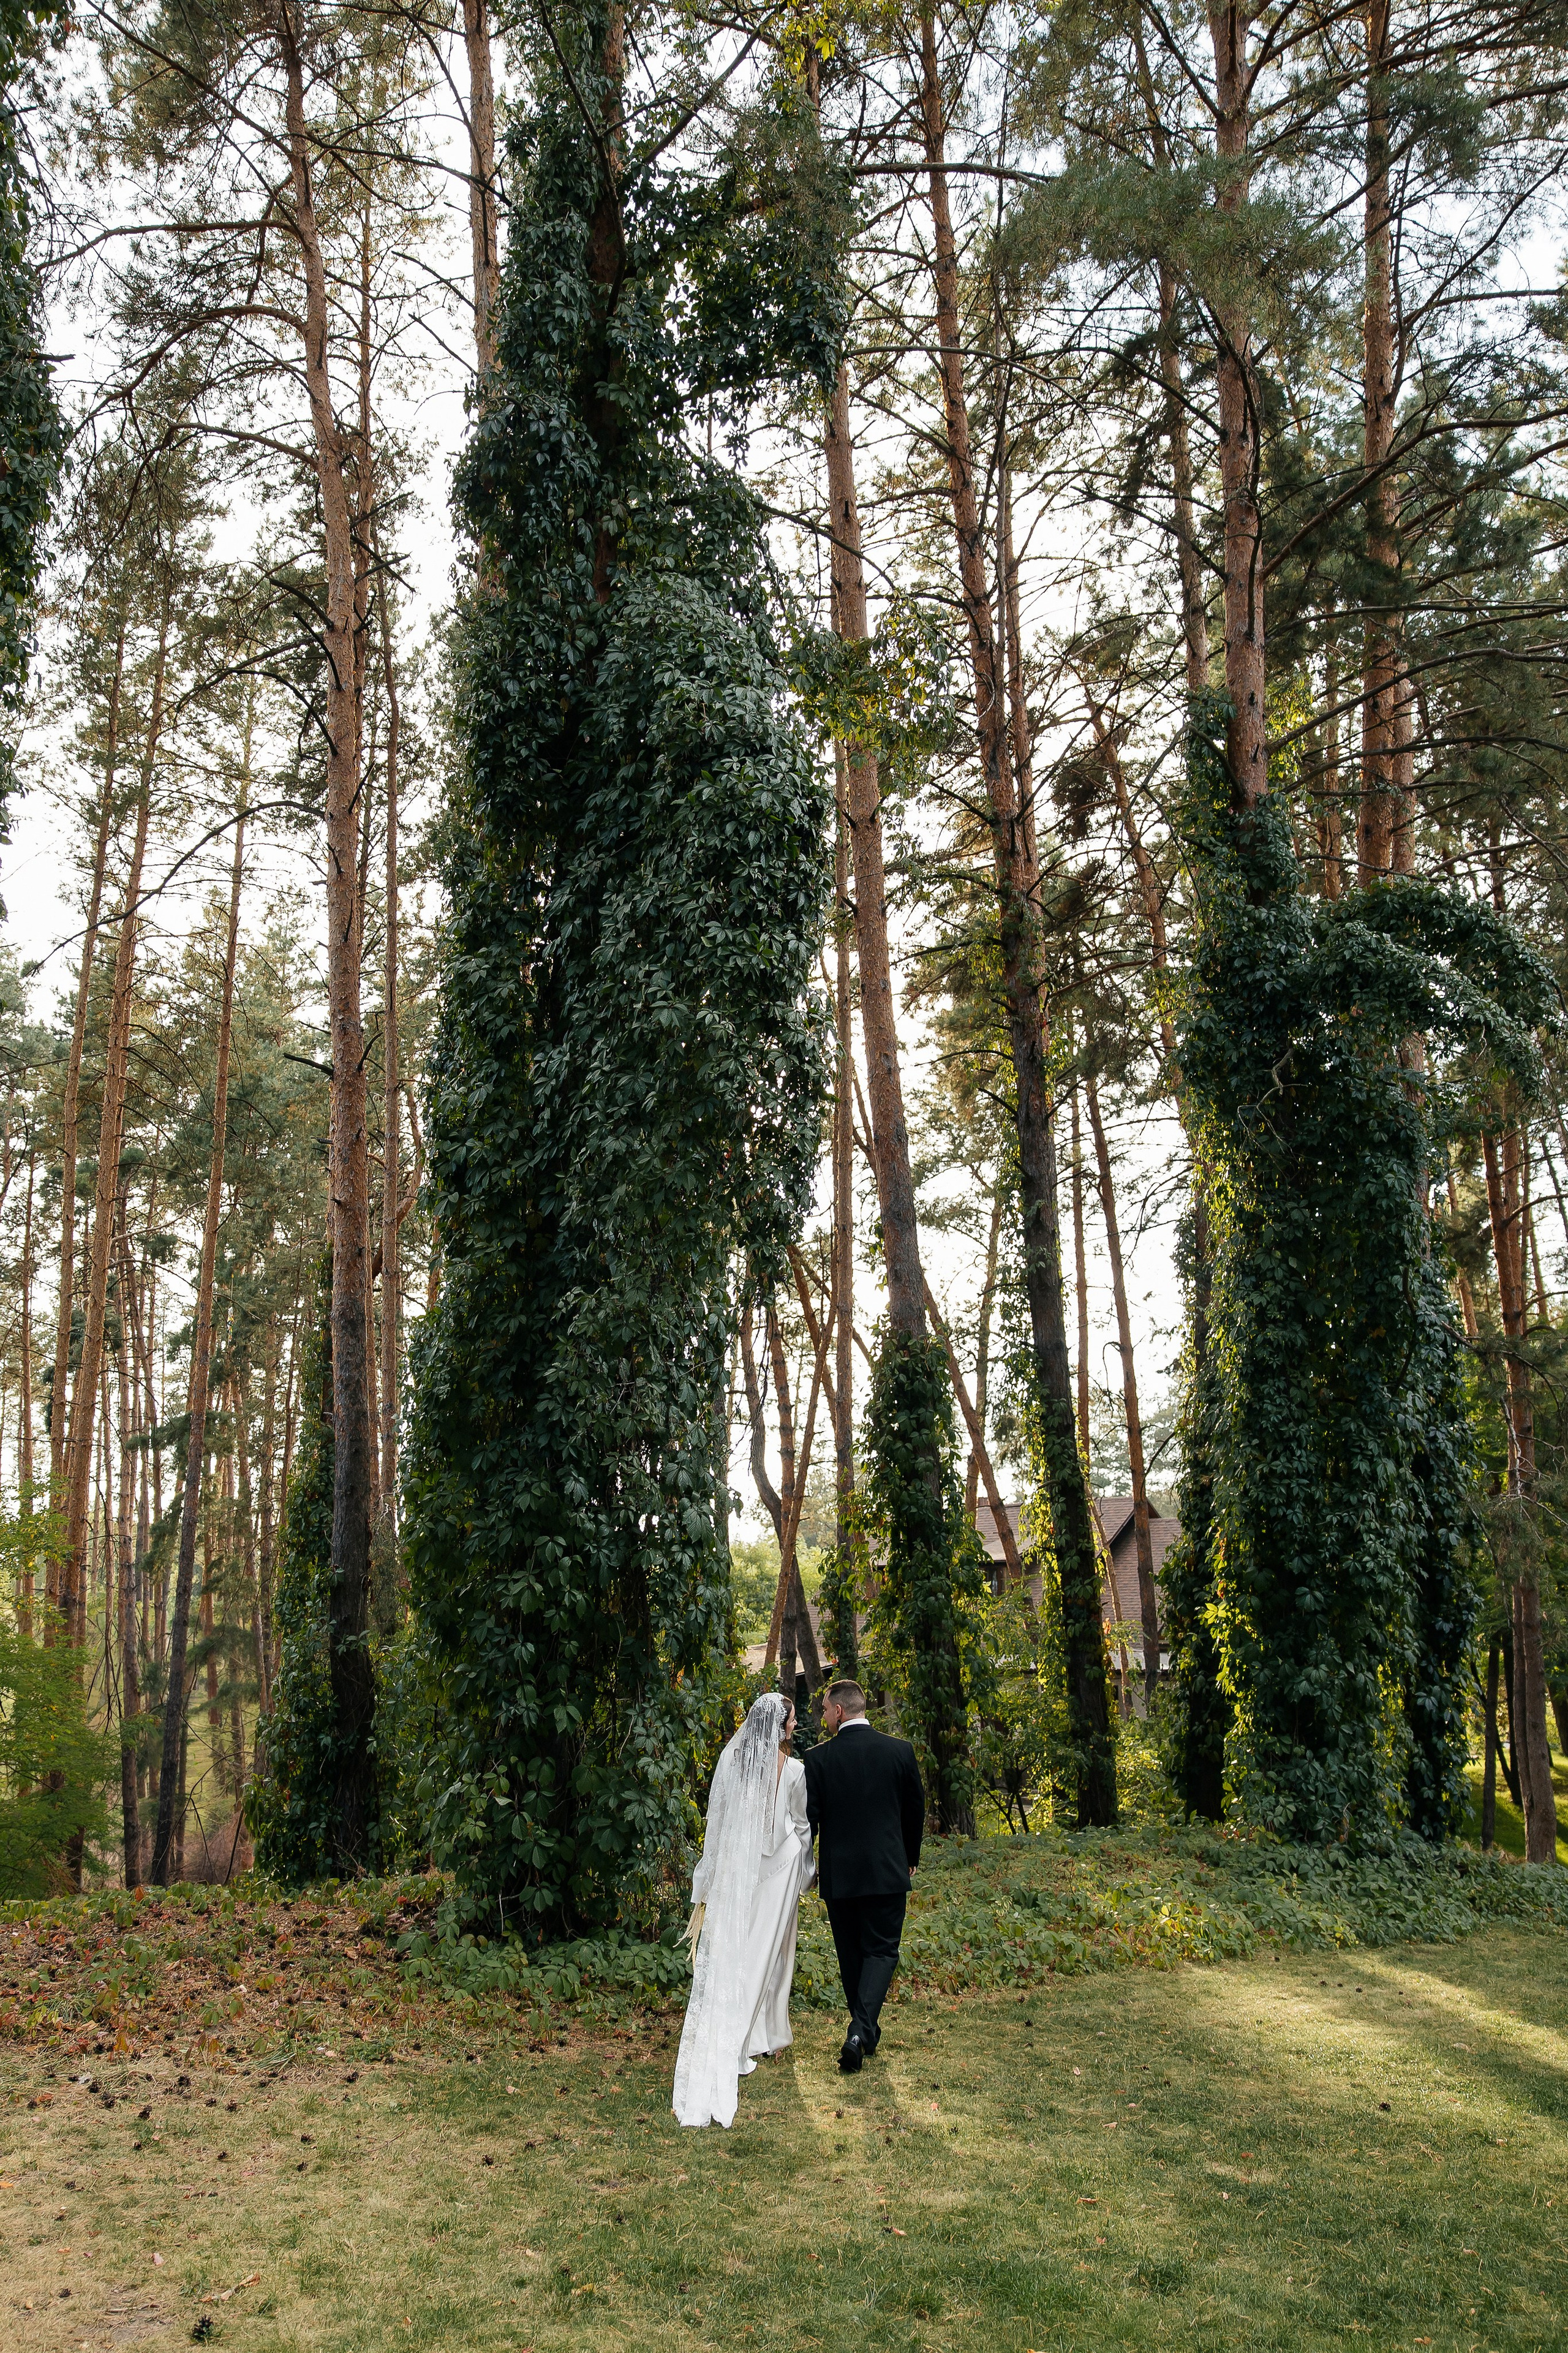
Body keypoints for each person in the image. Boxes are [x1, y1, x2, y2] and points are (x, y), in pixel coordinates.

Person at [672, 1690, 813, 2129]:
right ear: (780, 1724)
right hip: (780, 1869)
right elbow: (803, 1825)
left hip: (741, 1872)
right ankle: (741, 2042)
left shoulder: (732, 1764)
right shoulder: (793, 1770)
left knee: (741, 1954)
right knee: (766, 1955)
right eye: (791, 1720)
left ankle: (752, 2036)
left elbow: (718, 1824)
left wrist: (708, 1882)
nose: (794, 1725)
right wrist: (807, 1870)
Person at [804, 1677, 924, 2073]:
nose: (823, 1716)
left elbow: (812, 1820)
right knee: (882, 1950)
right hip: (888, 1870)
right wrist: (910, 1856)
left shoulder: (818, 1759)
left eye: (824, 1709)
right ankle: (860, 2032)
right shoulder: (900, 1751)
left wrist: (809, 1867)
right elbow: (914, 1810)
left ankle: (861, 2030)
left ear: (840, 1710)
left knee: (852, 1954)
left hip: (840, 1876)